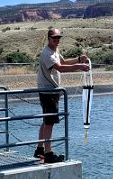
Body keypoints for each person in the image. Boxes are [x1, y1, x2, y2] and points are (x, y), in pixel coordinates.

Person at [34, 28, 90, 163]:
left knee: (46, 121)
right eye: (54, 38)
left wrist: (78, 59)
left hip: (49, 91)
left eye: (58, 38)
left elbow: (63, 62)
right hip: (48, 91)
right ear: (48, 38)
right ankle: (48, 154)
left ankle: (40, 149)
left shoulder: (54, 51)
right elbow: (60, 67)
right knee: (49, 122)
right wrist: (79, 66)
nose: (57, 40)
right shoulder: (48, 53)